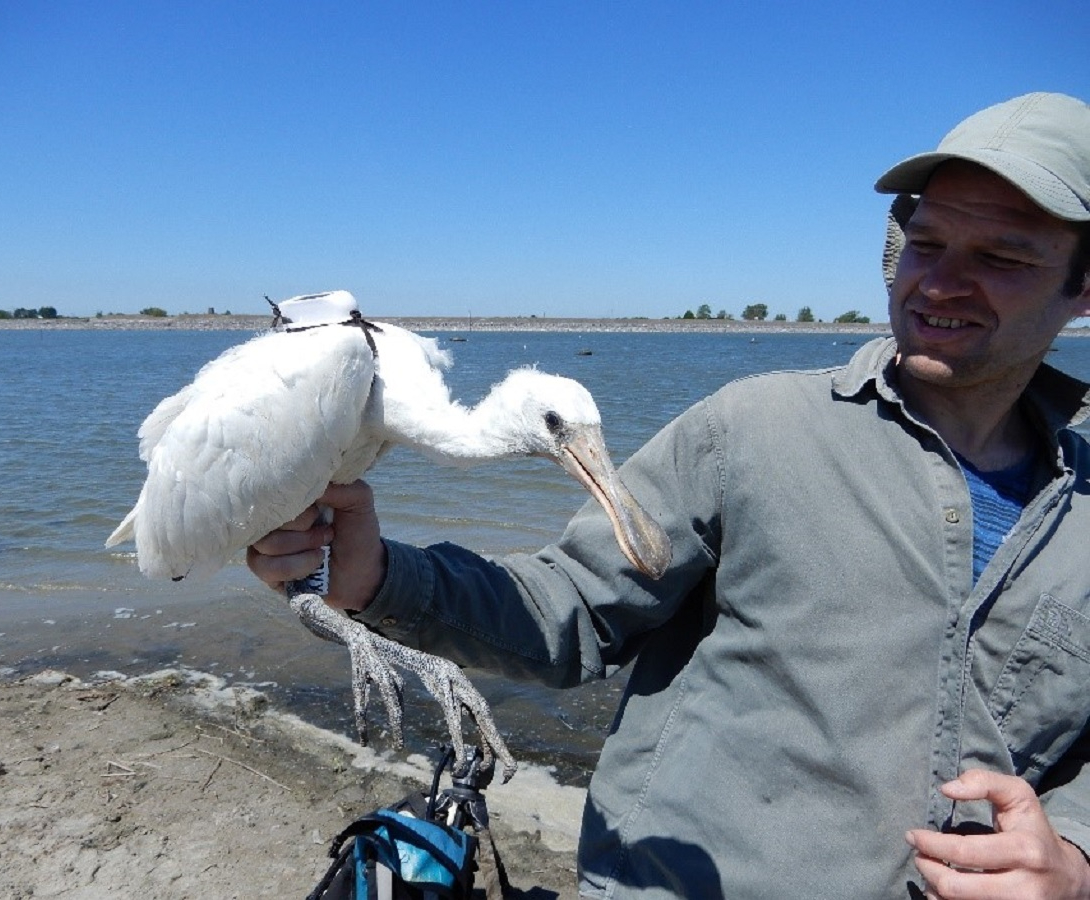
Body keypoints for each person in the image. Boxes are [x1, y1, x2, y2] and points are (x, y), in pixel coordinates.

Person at [249, 92, 1090, 899]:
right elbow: (573, 609)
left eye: (1004, 258)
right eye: (928, 244)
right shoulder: (751, 429)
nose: (942, 283)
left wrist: (1077, 857)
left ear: (1082, 287)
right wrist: (378, 578)